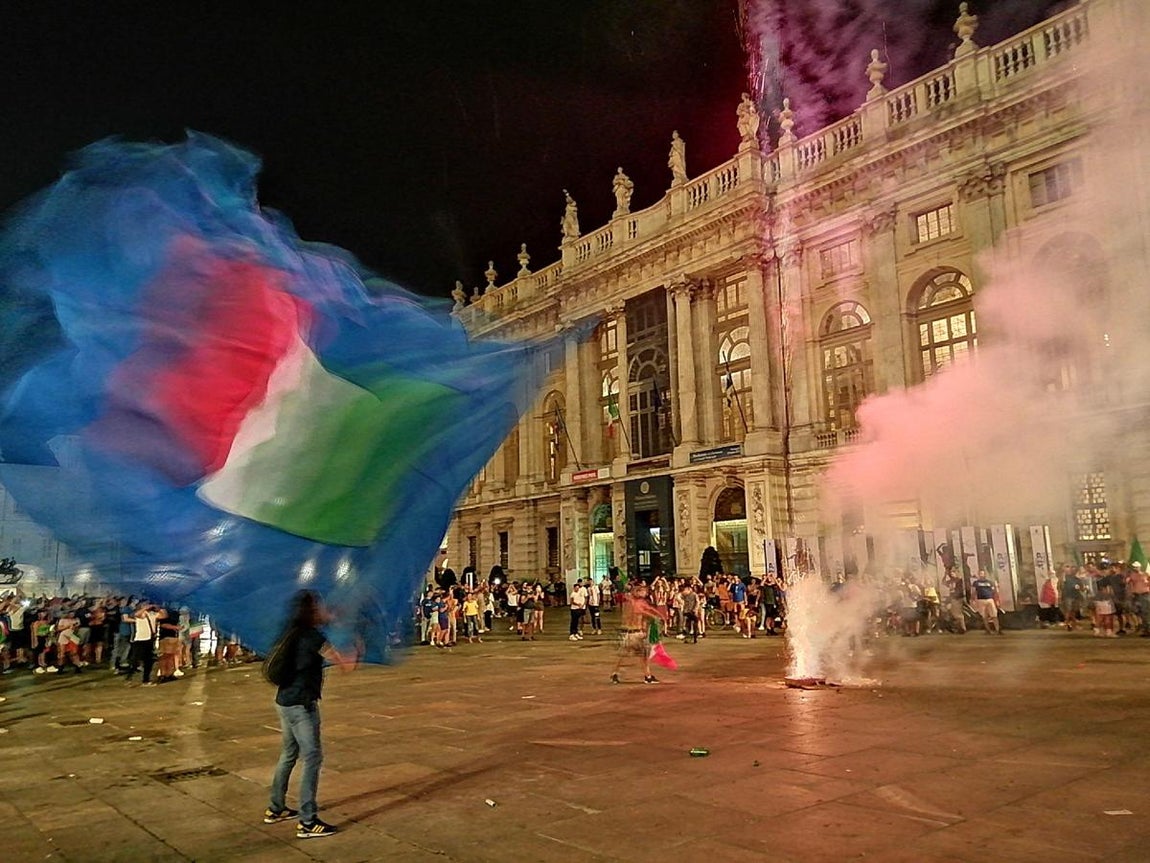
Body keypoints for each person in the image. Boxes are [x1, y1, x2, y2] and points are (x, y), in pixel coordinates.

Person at [265, 590, 355, 839]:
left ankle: (276, 808)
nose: (323, 610)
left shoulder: (292, 631)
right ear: (311, 612)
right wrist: (357, 643)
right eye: (319, 607)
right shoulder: (313, 638)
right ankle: (307, 821)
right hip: (301, 705)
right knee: (312, 757)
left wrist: (333, 617)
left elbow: (326, 621)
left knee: (288, 754)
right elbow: (346, 664)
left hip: (284, 701)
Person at [610, 581, 668, 684]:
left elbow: (648, 609)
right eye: (643, 591)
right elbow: (640, 611)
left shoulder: (633, 602)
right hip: (635, 633)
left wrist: (659, 616)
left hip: (630, 634)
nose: (645, 593)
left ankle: (616, 674)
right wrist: (656, 617)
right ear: (637, 591)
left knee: (628, 655)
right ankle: (647, 677)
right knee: (642, 656)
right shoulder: (633, 603)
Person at [971, 570, 1001, 635]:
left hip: (990, 599)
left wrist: (996, 600)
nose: (981, 575)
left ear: (985, 574)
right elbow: (973, 591)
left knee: (994, 615)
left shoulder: (989, 582)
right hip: (981, 600)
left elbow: (994, 591)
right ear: (978, 574)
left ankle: (998, 630)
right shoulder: (976, 583)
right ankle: (988, 630)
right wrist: (973, 599)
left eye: (982, 573)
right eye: (980, 573)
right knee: (984, 616)